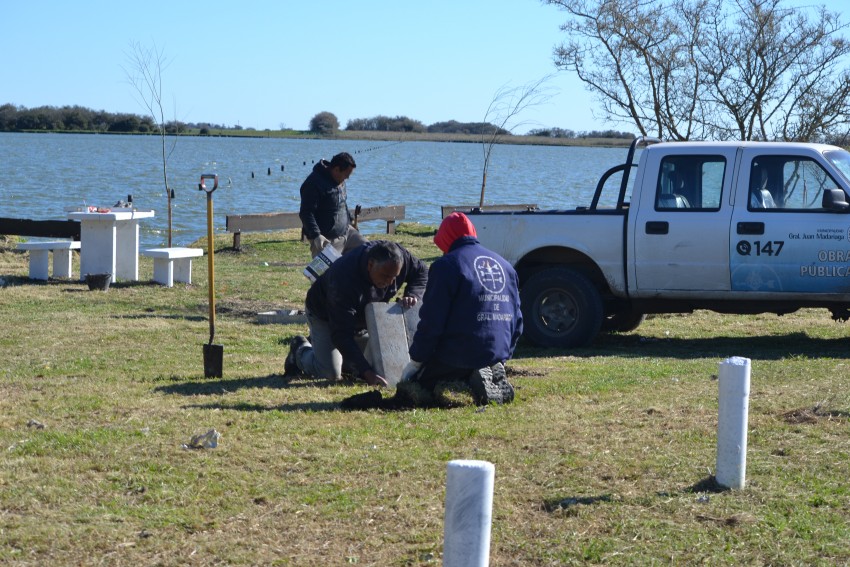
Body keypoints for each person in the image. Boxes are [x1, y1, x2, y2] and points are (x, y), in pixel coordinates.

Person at [401, 212, 523, 404]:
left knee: (419, 383)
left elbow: (432, 321)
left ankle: (468, 375)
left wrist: (416, 361)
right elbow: (517, 321)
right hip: (498, 350)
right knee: (477, 359)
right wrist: (504, 354)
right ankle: (488, 368)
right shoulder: (506, 266)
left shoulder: (446, 266)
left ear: (445, 238)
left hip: (458, 354)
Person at [285, 240, 428, 386]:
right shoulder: (343, 279)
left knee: (354, 365)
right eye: (385, 276)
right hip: (325, 315)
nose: (391, 282)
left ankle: (329, 349)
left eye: (395, 277)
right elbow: (341, 334)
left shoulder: (400, 257)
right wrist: (368, 374)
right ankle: (300, 350)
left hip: (360, 318)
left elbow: (422, 272)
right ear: (370, 265)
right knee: (330, 372)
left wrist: (413, 295)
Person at [299, 151, 366, 257]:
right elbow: (306, 213)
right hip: (326, 239)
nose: (347, 178)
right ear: (336, 169)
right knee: (325, 272)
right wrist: (316, 235)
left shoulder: (340, 180)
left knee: (368, 252)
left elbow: (342, 203)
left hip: (347, 232)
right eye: (346, 175)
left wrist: (350, 219)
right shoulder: (313, 184)